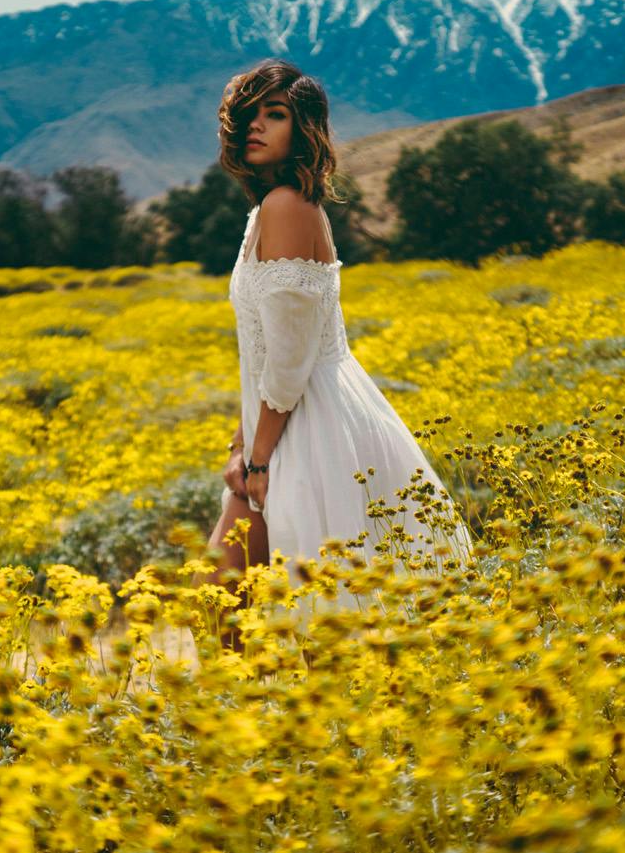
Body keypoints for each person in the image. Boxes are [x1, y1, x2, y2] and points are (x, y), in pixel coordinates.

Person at [201, 58, 475, 647]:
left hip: (308, 426)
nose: (257, 126)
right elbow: (262, 353)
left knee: (308, 615)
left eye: (275, 115)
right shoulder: (267, 210)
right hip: (277, 424)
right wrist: (241, 442)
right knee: (234, 599)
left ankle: (311, 732)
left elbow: (291, 361)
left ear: (305, 130)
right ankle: (260, 730)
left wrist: (258, 459)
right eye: (249, 115)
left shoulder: (287, 209)